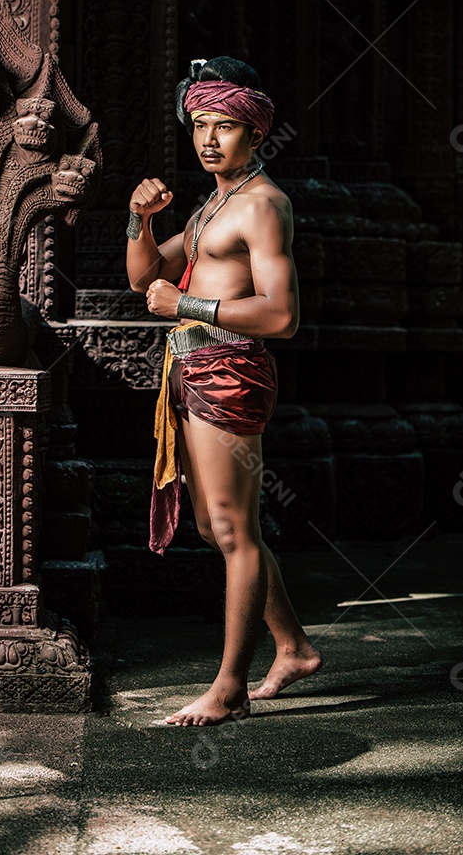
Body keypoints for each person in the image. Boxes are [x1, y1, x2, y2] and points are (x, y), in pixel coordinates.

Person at [126, 56, 322, 726]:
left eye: (226, 126)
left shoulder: (264, 205)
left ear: (256, 133)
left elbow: (279, 316)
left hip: (229, 372)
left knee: (233, 530)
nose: (209, 139)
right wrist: (139, 220)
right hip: (192, 370)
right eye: (199, 125)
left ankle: (229, 686)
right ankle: (292, 648)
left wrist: (191, 309)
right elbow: (145, 276)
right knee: (215, 526)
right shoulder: (216, 201)